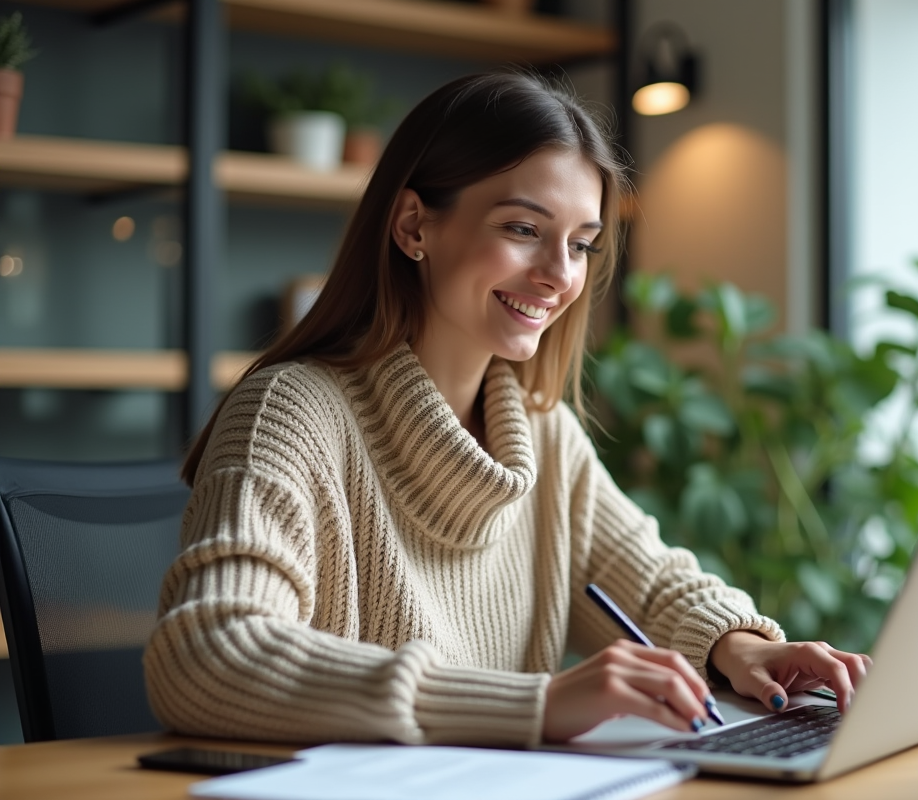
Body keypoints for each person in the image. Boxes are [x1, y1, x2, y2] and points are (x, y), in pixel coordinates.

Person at [144, 71, 869, 747]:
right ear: (413, 227)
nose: (560, 276)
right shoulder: (292, 413)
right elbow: (208, 654)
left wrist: (741, 646)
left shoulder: (540, 430)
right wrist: (534, 706)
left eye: (580, 244)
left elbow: (647, 582)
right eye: (524, 229)